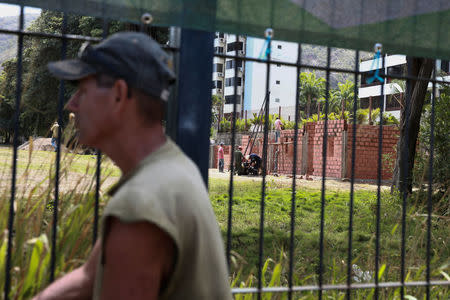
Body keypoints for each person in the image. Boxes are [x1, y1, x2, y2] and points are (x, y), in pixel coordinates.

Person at [33, 32, 231, 300]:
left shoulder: (141, 205)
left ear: (118, 94)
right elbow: (89, 278)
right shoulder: (173, 169)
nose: (72, 104)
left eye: (83, 91)